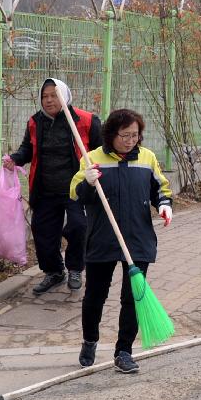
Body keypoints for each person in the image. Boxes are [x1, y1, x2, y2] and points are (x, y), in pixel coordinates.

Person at [70, 108, 173, 373]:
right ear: (111, 134)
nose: (130, 141)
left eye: (135, 135)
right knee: (95, 295)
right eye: (125, 135)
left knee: (133, 297)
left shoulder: (147, 158)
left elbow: (160, 187)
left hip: (137, 238)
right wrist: (88, 184)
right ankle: (89, 340)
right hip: (102, 238)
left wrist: (164, 204)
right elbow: (75, 193)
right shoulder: (93, 158)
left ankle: (124, 351)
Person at [4, 78, 102, 294]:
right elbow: (27, 150)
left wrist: (97, 175)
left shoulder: (86, 121)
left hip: (76, 189)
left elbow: (101, 152)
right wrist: (15, 159)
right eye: (45, 96)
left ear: (64, 95)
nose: (48, 100)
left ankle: (75, 268)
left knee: (77, 226)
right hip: (45, 188)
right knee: (43, 232)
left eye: (54, 95)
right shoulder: (35, 122)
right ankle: (54, 272)